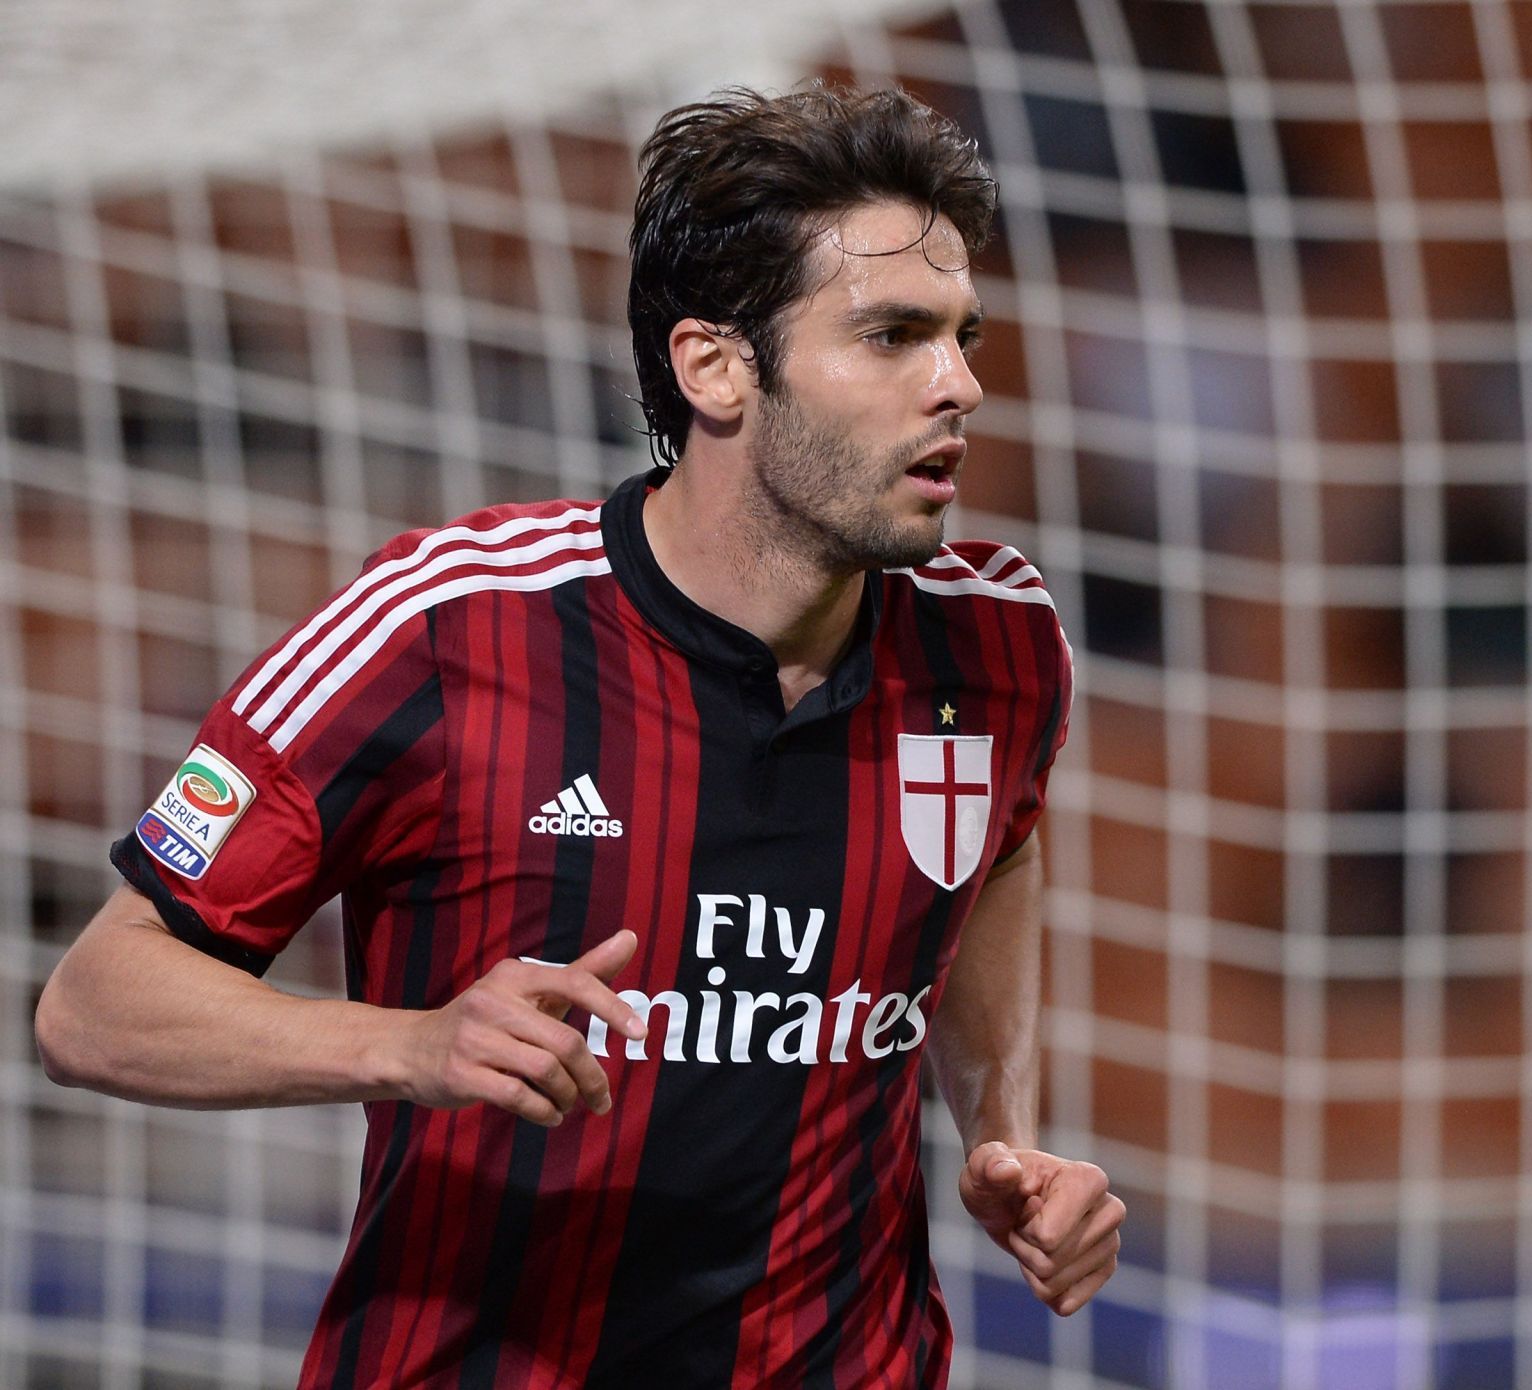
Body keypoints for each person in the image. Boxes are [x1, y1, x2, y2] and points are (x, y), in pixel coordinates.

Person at [34, 84, 1123, 1386]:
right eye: (892, 334)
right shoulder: (441, 629)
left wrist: (1005, 1134)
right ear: (714, 365)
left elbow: (996, 849)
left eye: (963, 334)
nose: (961, 383)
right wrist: (412, 1044)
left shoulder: (1000, 643)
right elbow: (94, 1004)